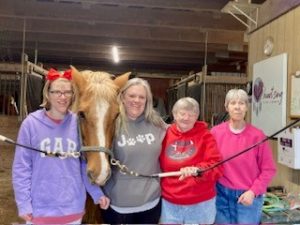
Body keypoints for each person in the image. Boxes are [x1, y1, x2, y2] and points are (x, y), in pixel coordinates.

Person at [12, 68, 109, 224]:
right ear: (48, 94)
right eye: (57, 92)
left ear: (73, 95)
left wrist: (96, 194)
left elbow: (82, 165)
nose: (62, 97)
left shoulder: (77, 123)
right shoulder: (31, 124)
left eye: (67, 92)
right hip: (39, 212)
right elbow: (21, 168)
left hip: (73, 211)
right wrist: (23, 204)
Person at [102, 77, 167, 224]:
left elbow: (182, 136)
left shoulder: (157, 123)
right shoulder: (111, 125)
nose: (136, 100)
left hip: (151, 202)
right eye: (132, 95)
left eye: (141, 97)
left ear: (147, 100)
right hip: (118, 205)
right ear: (123, 97)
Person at [211, 88, 276, 224]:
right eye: (233, 103)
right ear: (226, 107)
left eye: (242, 103)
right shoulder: (215, 133)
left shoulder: (258, 136)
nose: (237, 107)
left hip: (248, 197)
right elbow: (207, 163)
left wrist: (253, 191)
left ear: (247, 107)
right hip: (221, 195)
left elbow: (269, 169)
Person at [159, 97, 223, 224]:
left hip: (201, 204)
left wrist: (198, 170)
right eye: (182, 113)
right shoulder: (164, 134)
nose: (186, 118)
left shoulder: (206, 136)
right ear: (175, 115)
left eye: (191, 114)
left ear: (196, 116)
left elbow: (217, 167)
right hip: (170, 203)